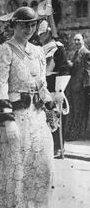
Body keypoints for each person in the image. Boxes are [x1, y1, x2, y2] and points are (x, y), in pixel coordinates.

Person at [0, 7, 56, 208]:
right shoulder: (5, 50)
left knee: (42, 169)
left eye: (31, 25)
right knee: (16, 172)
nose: (27, 29)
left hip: (37, 117)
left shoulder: (39, 52)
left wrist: (51, 103)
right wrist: (7, 122)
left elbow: (42, 85)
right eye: (22, 25)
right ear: (13, 25)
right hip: (17, 117)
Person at [37, 20, 70, 158]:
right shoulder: (40, 49)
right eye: (39, 34)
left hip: (55, 86)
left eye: (43, 34)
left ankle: (59, 147)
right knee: (47, 119)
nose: (40, 37)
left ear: (49, 32)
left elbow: (64, 69)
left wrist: (60, 90)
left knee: (57, 119)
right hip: (44, 87)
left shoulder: (57, 47)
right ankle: (51, 146)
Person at [63, 33, 90, 141]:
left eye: (78, 40)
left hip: (80, 88)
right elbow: (74, 68)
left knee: (79, 112)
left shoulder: (86, 53)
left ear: (83, 40)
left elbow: (88, 71)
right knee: (73, 111)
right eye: (75, 40)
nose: (76, 42)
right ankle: (71, 134)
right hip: (73, 87)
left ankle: (76, 135)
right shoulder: (76, 53)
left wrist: (86, 87)